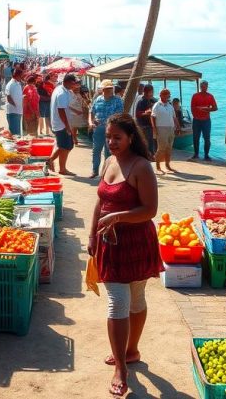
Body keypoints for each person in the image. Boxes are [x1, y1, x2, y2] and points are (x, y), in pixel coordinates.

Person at [88, 113, 161, 398]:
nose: (111, 142)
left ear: (131, 137)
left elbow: (150, 210)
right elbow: (100, 201)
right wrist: (92, 234)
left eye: (117, 137)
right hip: (110, 244)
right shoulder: (108, 161)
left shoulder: (141, 167)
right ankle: (121, 368)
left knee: (137, 299)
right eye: (108, 137)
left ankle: (131, 350)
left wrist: (118, 216)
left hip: (137, 243)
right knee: (118, 302)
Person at [89, 80, 124, 178]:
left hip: (111, 129)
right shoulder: (98, 99)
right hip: (99, 128)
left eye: (111, 88)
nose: (110, 90)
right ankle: (95, 170)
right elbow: (91, 111)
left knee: (109, 151)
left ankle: (106, 171)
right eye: (108, 89)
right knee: (96, 149)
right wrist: (91, 122)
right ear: (103, 90)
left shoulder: (117, 100)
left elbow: (119, 114)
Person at [48, 74, 79, 175]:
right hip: (61, 124)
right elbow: (61, 110)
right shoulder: (61, 93)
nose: (75, 85)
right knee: (65, 146)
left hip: (61, 123)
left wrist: (75, 111)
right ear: (68, 82)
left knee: (67, 146)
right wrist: (67, 126)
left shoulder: (62, 90)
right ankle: (53, 163)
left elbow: (65, 107)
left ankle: (57, 165)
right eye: (73, 83)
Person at [151, 88, 180, 174]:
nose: (167, 96)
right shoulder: (157, 105)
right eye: (165, 94)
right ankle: (157, 166)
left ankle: (167, 165)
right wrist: (154, 128)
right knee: (161, 148)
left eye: (168, 95)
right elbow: (152, 117)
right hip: (161, 128)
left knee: (169, 147)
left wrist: (178, 126)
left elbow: (174, 117)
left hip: (170, 128)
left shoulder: (170, 106)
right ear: (161, 95)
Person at [189, 80, 218, 161]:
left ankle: (206, 155)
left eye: (205, 86)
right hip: (196, 120)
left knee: (207, 138)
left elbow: (215, 108)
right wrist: (196, 114)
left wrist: (207, 109)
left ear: (207, 87)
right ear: (200, 87)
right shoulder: (195, 96)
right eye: (202, 86)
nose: (203, 88)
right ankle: (196, 154)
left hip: (206, 120)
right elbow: (192, 108)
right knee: (195, 138)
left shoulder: (210, 96)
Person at [134, 84, 156, 153]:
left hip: (151, 125)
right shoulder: (141, 101)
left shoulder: (153, 100)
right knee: (148, 143)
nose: (152, 93)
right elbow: (138, 114)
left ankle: (151, 155)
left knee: (151, 142)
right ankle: (149, 156)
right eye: (151, 91)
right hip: (145, 126)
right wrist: (146, 113)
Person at [4, 68, 24, 136]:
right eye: (22, 75)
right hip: (13, 111)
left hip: (17, 111)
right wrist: (16, 106)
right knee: (15, 134)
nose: (22, 77)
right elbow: (9, 98)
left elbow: (17, 96)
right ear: (18, 75)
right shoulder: (10, 84)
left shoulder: (18, 83)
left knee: (17, 133)